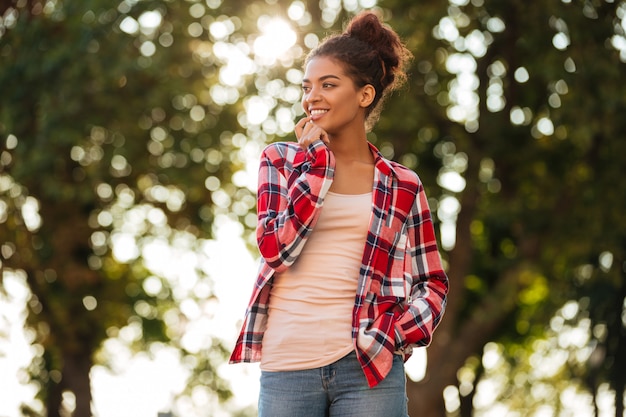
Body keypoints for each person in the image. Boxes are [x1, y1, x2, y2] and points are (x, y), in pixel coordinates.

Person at [230, 11, 449, 417]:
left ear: (364, 95)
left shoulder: (403, 185)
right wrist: (316, 166)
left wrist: (396, 334)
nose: (312, 96)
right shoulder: (280, 161)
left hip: (368, 365)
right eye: (306, 86)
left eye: (328, 85)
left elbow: (432, 283)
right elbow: (276, 249)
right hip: (288, 365)